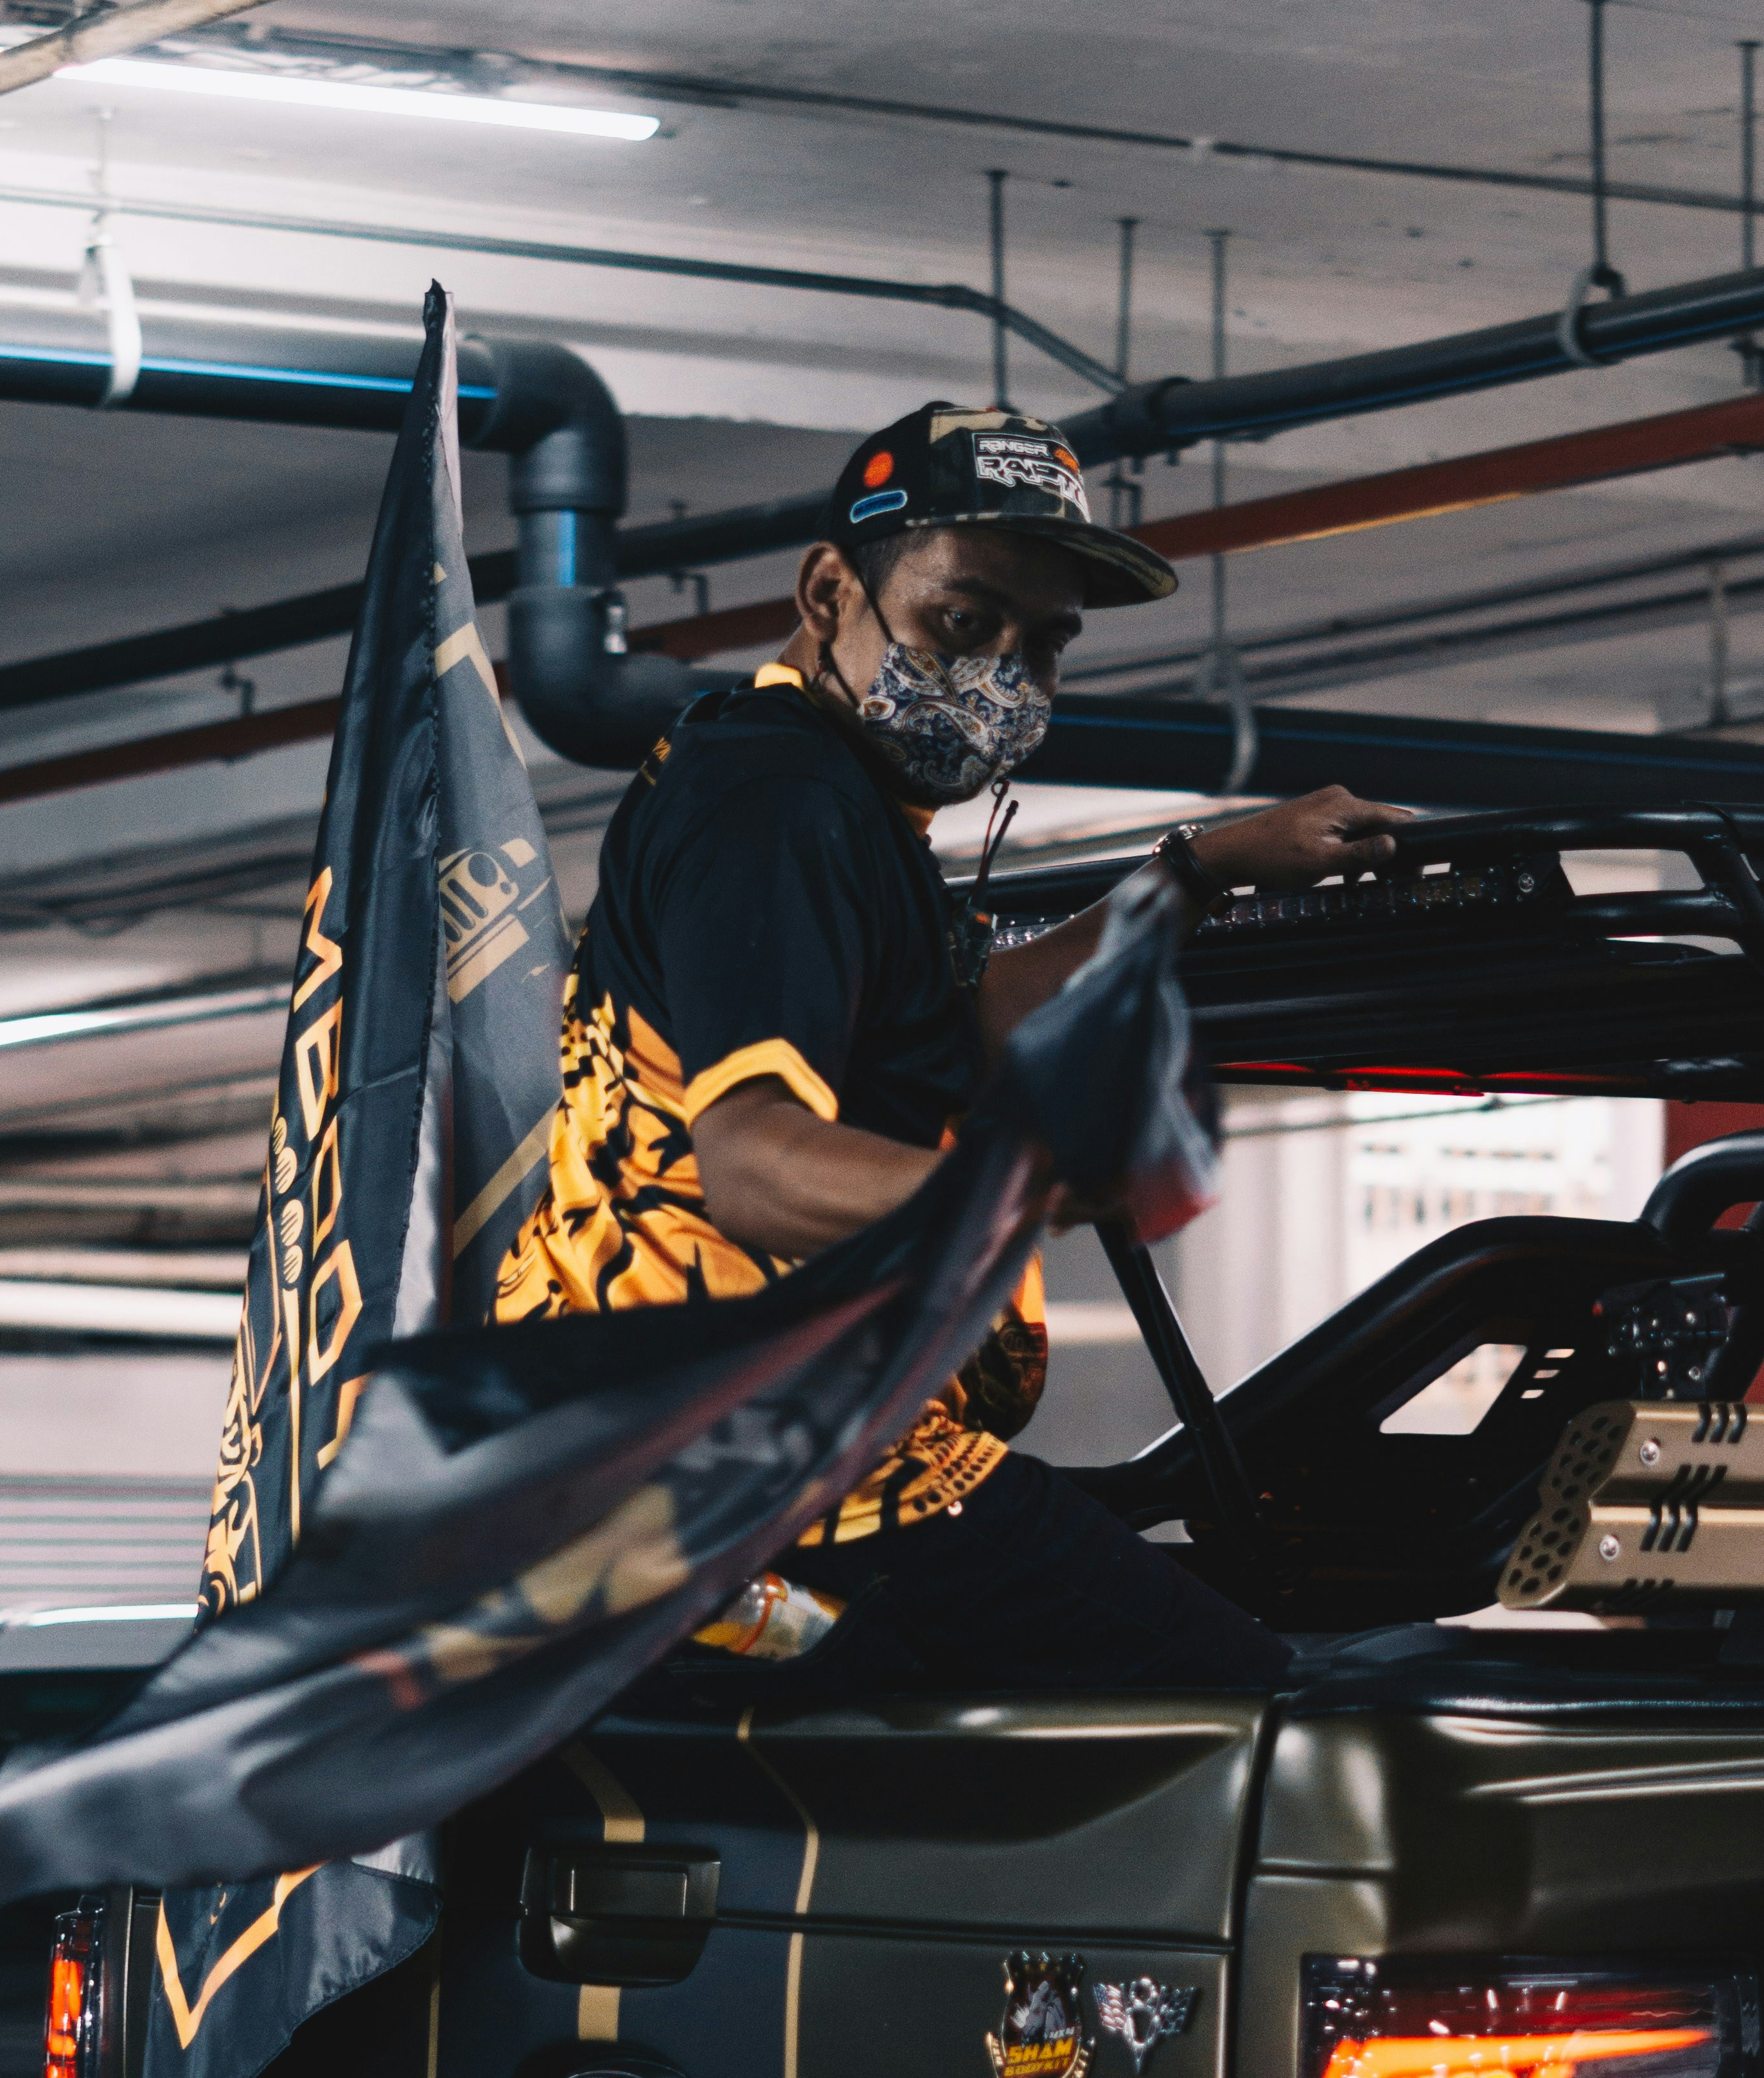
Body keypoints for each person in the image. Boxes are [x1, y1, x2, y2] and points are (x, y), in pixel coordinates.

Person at [497, 397, 1406, 1694]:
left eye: (1042, 644)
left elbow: (951, 1032)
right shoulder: (779, 798)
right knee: (1263, 1720)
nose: (1001, 677)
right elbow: (754, 1162)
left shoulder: (829, 802)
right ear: (829, 591)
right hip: (774, 1459)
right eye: (960, 621)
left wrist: (1199, 870)